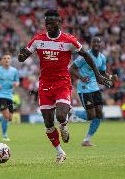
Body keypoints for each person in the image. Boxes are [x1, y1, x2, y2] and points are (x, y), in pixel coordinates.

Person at [18, 9, 113, 163]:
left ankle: (63, 125)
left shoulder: (69, 40)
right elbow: (23, 55)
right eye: (46, 22)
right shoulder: (38, 40)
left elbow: (87, 56)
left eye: (52, 21)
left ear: (59, 22)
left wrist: (98, 75)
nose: (48, 24)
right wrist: (21, 56)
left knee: (60, 115)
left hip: (62, 83)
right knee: (48, 123)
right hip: (45, 84)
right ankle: (60, 152)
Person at [69, 37, 117, 146]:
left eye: (98, 42)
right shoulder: (85, 56)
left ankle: (86, 140)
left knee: (99, 113)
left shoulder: (102, 58)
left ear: (101, 44)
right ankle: (71, 112)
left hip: (95, 88)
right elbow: (71, 69)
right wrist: (81, 77)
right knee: (91, 115)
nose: (96, 44)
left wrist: (110, 77)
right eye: (94, 42)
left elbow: (102, 73)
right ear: (91, 44)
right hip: (84, 88)